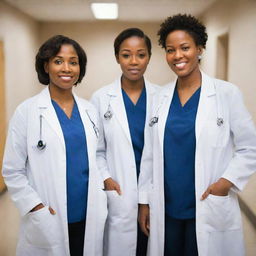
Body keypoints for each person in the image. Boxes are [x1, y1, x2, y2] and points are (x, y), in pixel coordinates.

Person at [138, 14, 256, 256]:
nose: (178, 56)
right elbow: (150, 153)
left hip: (207, 203)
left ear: (199, 49)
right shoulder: (160, 97)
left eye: (185, 48)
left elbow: (249, 147)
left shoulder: (226, 93)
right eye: (171, 50)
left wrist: (225, 183)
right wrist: (144, 201)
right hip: (166, 206)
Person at [2, 35, 107, 256]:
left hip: (88, 211)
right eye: (58, 61)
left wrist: (107, 179)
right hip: (48, 213)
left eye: (73, 61)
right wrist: (35, 207)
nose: (66, 68)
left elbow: (97, 154)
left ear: (80, 68)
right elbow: (12, 170)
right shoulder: (27, 111)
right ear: (46, 65)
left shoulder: (89, 111)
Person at [91, 28, 159, 256]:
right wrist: (106, 178)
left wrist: (147, 197)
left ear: (149, 56)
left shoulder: (163, 97)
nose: (134, 62)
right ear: (117, 57)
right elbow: (96, 149)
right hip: (119, 192)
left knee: (151, 245)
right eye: (126, 55)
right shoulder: (101, 98)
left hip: (154, 189)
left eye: (141, 54)